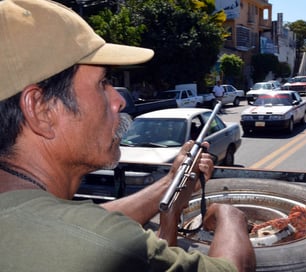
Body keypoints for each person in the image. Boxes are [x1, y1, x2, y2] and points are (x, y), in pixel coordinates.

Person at [0, 0, 256, 271]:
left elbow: (81, 222)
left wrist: (170, 183)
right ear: (41, 110)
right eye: (103, 83)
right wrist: (230, 215)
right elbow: (233, 268)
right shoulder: (99, 247)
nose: (118, 100)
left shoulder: (28, 216)